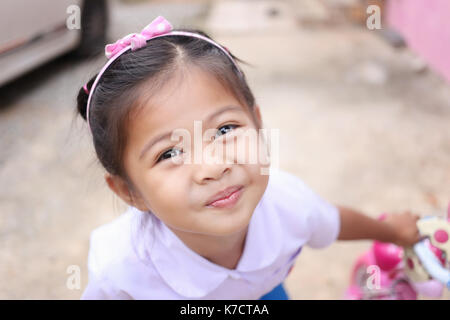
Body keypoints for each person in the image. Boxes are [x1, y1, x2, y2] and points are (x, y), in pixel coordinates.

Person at [77, 16, 421, 300]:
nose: (214, 167)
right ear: (129, 191)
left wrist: (392, 231)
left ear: (257, 122)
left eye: (225, 130)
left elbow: (332, 221)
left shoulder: (289, 204)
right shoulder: (120, 269)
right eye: (170, 152)